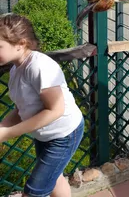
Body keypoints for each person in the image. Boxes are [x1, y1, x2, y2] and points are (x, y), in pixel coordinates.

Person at [0, 14, 84, 197]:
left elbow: (55, 110)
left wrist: (8, 132)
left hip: (64, 134)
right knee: (54, 177)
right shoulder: (16, 69)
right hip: (46, 133)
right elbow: (20, 110)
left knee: (34, 192)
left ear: (21, 44)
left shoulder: (38, 67)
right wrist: (1, 129)